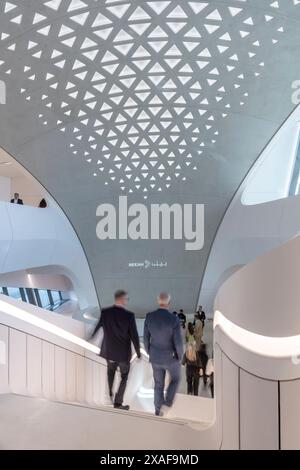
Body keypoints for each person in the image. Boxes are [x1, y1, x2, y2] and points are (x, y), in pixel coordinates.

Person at [90, 289, 140, 411]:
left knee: (110, 371)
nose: (127, 301)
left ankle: (110, 394)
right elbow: (134, 335)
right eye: (126, 299)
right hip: (123, 354)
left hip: (109, 352)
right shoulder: (129, 316)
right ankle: (118, 402)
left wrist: (91, 337)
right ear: (122, 299)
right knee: (124, 376)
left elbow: (98, 326)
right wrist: (138, 353)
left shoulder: (106, 312)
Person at [143, 292, 183, 417]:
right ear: (169, 303)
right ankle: (167, 403)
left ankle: (157, 410)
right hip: (170, 357)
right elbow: (178, 341)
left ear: (158, 302)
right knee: (176, 379)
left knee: (158, 384)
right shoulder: (174, 319)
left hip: (155, 356)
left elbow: (145, 338)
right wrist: (180, 356)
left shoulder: (149, 317)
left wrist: (150, 352)